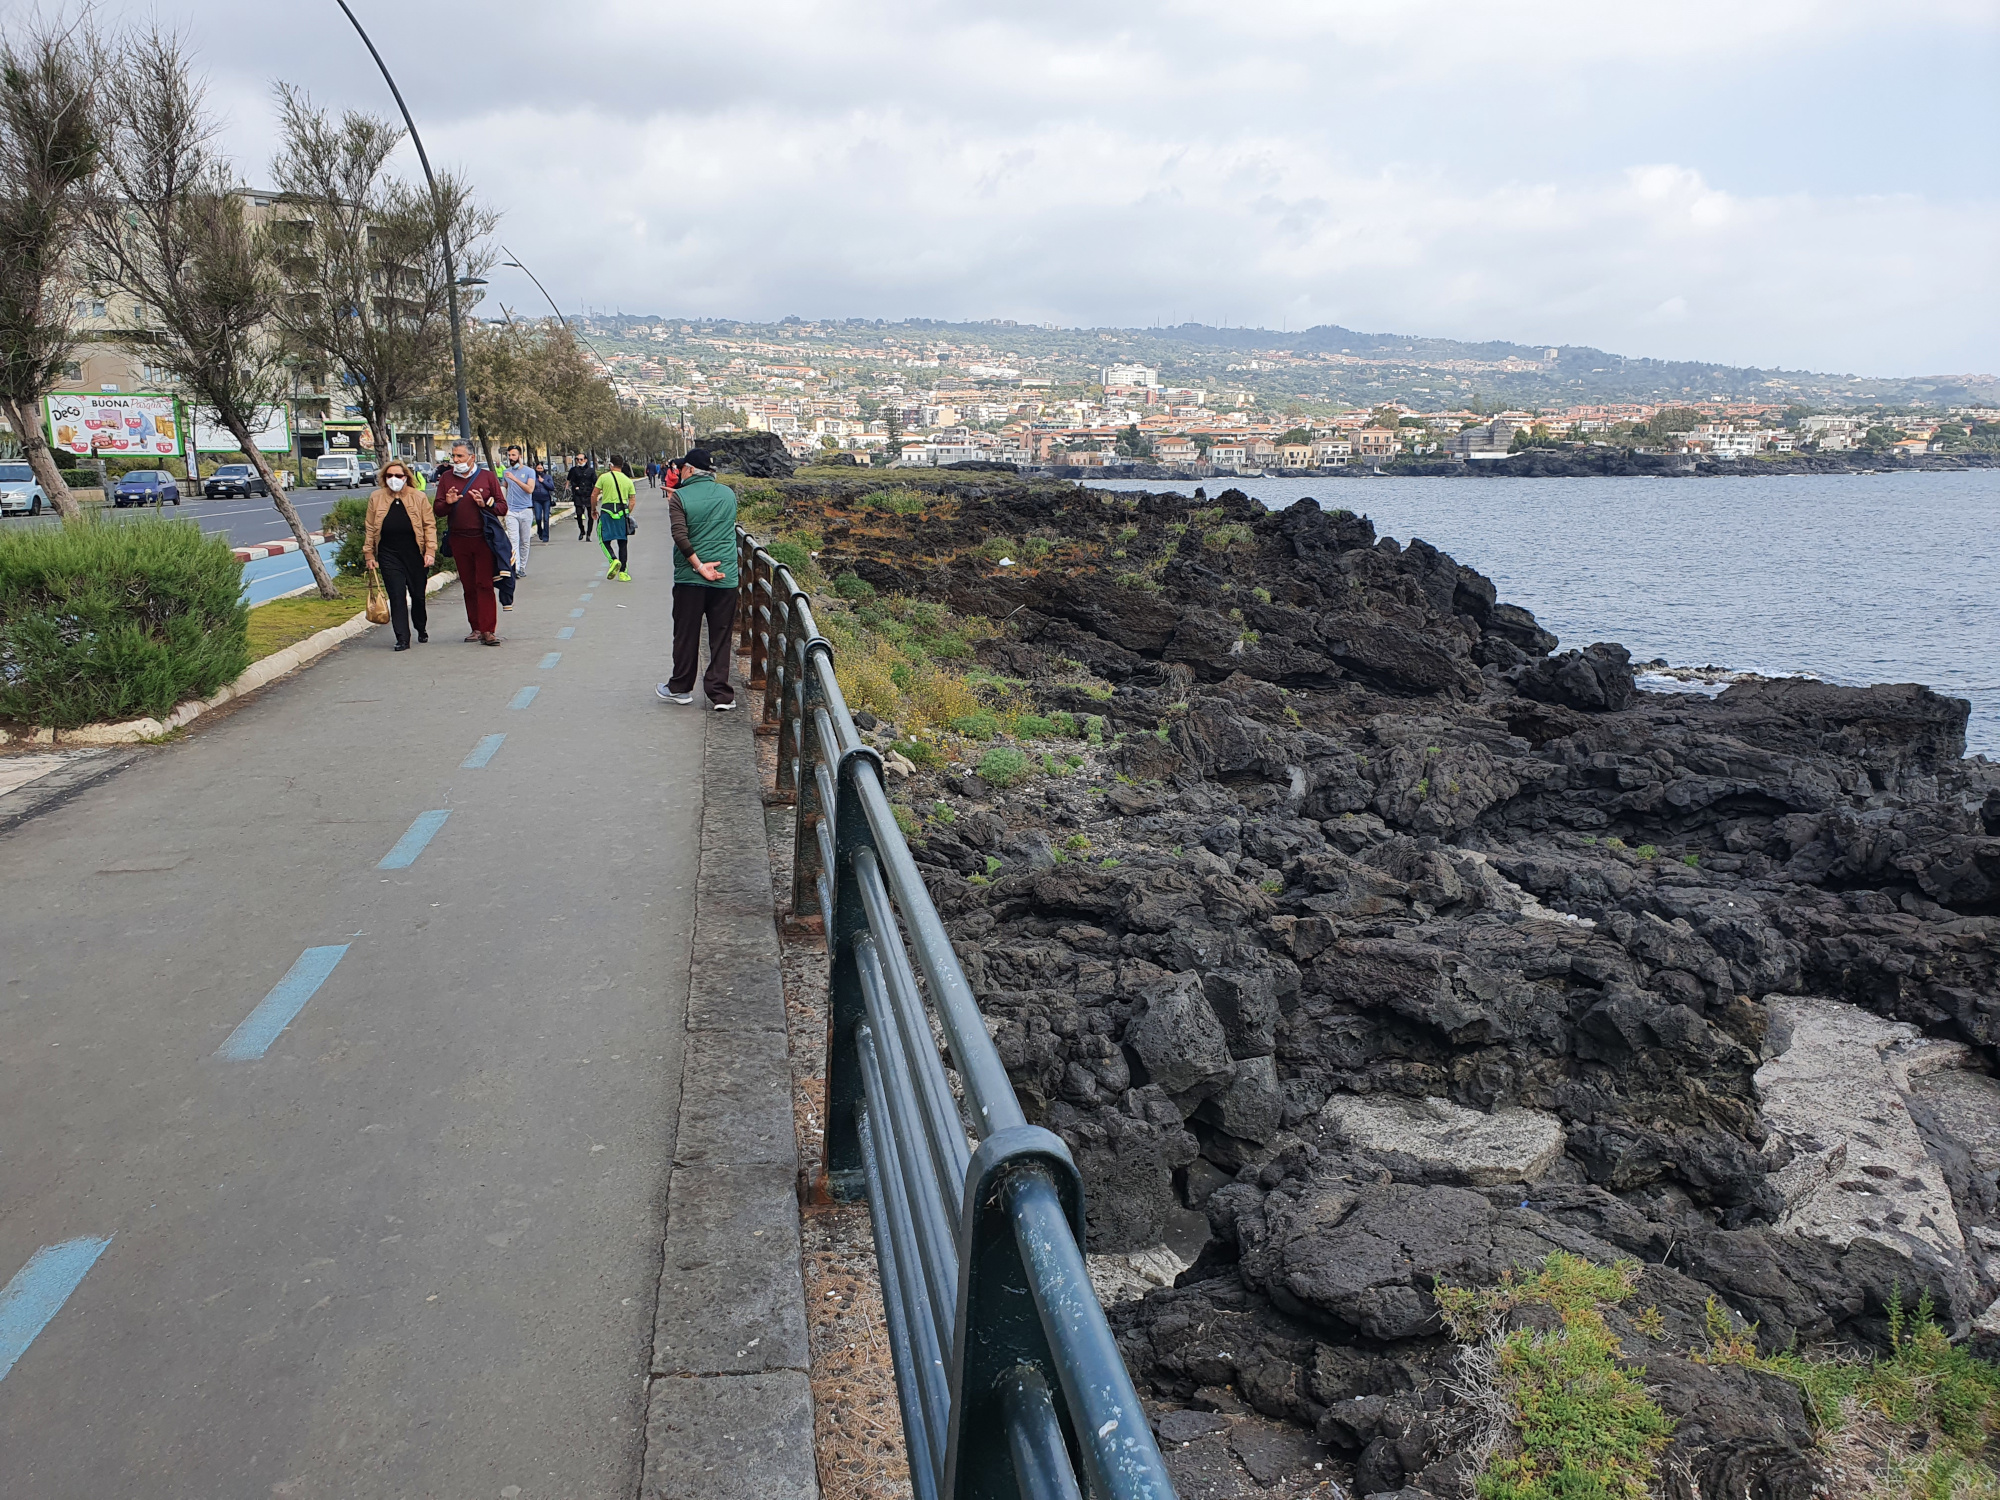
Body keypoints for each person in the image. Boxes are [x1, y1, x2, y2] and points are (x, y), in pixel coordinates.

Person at [656, 448, 739, 709]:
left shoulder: (680, 497)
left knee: (686, 634)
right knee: (721, 636)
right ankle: (720, 695)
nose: (679, 471)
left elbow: (680, 536)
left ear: (690, 470)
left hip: (690, 578)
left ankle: (680, 688)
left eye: (682, 467)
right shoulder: (728, 494)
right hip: (725, 577)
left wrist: (699, 566)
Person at [433, 439, 507, 645]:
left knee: (484, 583)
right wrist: (448, 503)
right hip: (459, 539)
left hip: (483, 538)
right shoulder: (447, 478)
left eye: (460, 456)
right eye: (453, 456)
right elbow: (438, 510)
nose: (455, 460)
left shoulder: (487, 477)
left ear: (472, 457)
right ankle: (475, 627)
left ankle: (488, 630)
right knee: (468, 585)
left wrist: (486, 503)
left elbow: (502, 507)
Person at [362, 458, 436, 651]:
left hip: (414, 554)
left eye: (398, 475)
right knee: (396, 596)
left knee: (418, 596)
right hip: (388, 554)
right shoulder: (376, 497)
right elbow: (370, 527)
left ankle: (420, 627)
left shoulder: (418, 497)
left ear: (406, 478)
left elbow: (429, 525)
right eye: (389, 476)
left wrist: (429, 551)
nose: (393, 479)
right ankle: (402, 637)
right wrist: (369, 555)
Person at [594, 455, 636, 581]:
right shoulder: (627, 480)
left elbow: (594, 494)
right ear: (622, 465)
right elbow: (632, 500)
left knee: (603, 539)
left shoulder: (604, 477)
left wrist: (593, 509)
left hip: (607, 511)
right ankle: (623, 573)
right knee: (622, 542)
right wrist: (627, 512)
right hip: (622, 512)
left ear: (610, 465)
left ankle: (613, 560)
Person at [501, 444, 536, 580]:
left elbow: (530, 489)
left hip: (526, 510)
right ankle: (515, 567)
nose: (511, 458)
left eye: (513, 455)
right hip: (511, 511)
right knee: (513, 540)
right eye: (509, 455)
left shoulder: (529, 472)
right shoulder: (506, 472)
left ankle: (522, 567)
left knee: (524, 541)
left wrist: (515, 479)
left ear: (520, 456)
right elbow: (504, 489)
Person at [568, 454, 598, 540]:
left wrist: (594, 492)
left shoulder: (591, 470)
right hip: (578, 495)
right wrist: (575, 487)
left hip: (589, 494)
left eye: (581, 459)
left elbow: (595, 482)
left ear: (585, 460)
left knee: (590, 515)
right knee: (579, 514)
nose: (579, 461)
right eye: (577, 459)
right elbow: (571, 480)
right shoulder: (574, 470)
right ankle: (582, 530)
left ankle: (589, 534)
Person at [531, 461, 554, 542]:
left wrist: (543, 481)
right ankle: (540, 531)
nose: (539, 470)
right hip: (536, 500)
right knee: (538, 518)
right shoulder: (533, 477)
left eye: (541, 468)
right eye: (538, 468)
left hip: (546, 500)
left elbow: (551, 487)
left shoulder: (548, 477)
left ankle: (545, 536)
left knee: (546, 518)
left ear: (543, 469)